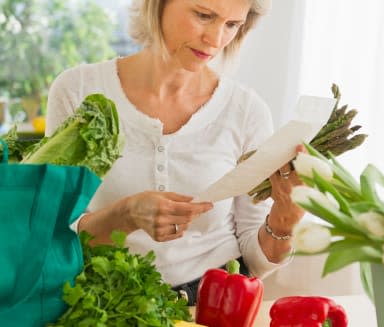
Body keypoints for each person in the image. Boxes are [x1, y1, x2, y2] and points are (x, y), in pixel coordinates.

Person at [45, 0, 305, 305]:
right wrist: (125, 216)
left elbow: (254, 259)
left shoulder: (247, 111)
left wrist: (284, 222)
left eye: (232, 25)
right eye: (204, 15)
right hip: (103, 301)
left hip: (214, 303)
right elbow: (53, 233)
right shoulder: (78, 92)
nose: (216, 40)